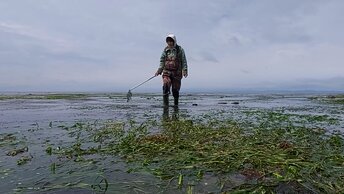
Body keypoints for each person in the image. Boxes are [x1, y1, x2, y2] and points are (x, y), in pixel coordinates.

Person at [155, 34, 188, 107]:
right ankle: (165, 106)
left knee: (175, 90)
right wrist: (159, 70)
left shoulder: (180, 50)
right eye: (168, 41)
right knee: (166, 85)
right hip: (167, 72)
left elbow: (184, 60)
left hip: (177, 73)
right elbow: (162, 60)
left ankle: (176, 106)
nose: (169, 43)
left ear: (174, 41)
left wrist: (185, 70)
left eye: (171, 41)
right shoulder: (165, 50)